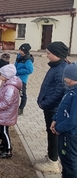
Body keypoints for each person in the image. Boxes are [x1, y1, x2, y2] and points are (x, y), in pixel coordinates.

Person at [35, 41, 69, 173]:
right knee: (50, 133)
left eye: (49, 53)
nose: (47, 55)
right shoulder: (57, 66)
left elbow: (59, 92)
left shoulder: (62, 69)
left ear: (57, 54)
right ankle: (51, 156)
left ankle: (53, 163)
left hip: (53, 109)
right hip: (49, 107)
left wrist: (45, 103)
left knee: (53, 134)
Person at [51, 63, 77, 178]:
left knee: (70, 162)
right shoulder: (70, 90)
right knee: (65, 160)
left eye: (67, 77)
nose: (65, 79)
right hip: (64, 131)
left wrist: (58, 128)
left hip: (70, 135)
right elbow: (62, 106)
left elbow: (73, 120)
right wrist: (55, 119)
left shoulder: (75, 94)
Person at [0, 64, 22, 158]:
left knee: (4, 131)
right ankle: (3, 144)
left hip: (6, 113)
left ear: (6, 76)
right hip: (3, 113)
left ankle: (8, 149)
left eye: (0, 74)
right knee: (1, 129)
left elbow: (7, 103)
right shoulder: (7, 84)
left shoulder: (10, 88)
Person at [15, 43, 34, 115]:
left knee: (23, 94)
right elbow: (15, 65)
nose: (21, 52)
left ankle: (21, 108)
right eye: (20, 50)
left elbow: (30, 70)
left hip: (22, 79)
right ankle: (14, 107)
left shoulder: (28, 60)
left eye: (23, 51)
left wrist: (18, 72)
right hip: (16, 77)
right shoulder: (19, 56)